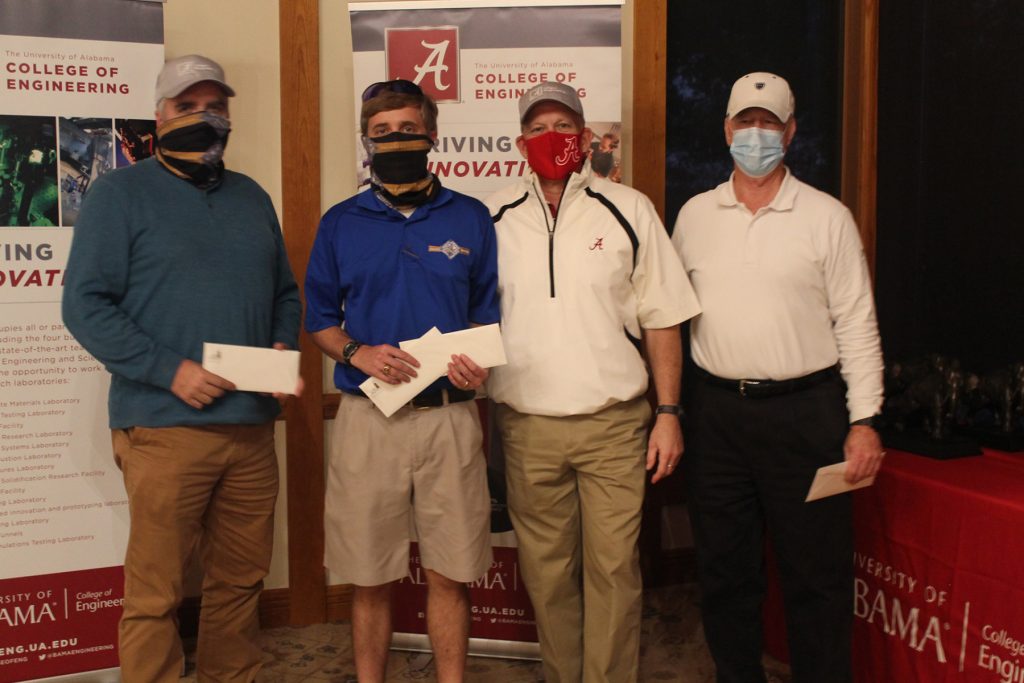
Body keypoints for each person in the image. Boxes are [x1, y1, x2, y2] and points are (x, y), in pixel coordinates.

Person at [62, 54, 301, 682]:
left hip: (251, 428)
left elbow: (284, 293)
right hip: (164, 427)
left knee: (241, 582)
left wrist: (280, 349)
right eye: (187, 107)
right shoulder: (118, 192)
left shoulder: (252, 196)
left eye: (216, 108)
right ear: (160, 116)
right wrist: (170, 371)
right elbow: (84, 304)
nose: (204, 118)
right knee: (156, 594)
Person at [670, 72, 885, 683]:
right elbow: (666, 316)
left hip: (808, 416)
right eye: (746, 123)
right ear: (725, 130)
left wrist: (865, 421)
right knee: (724, 575)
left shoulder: (827, 217)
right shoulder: (693, 215)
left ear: (790, 132)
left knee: (816, 580)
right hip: (717, 416)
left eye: (769, 124)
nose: (755, 134)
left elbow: (858, 324)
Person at [485, 81, 701, 683]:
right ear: (519, 140)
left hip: (614, 427)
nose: (550, 136)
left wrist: (668, 413)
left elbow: (662, 318)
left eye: (562, 124)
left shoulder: (629, 208)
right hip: (527, 428)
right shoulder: (491, 216)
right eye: (536, 127)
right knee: (548, 575)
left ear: (584, 137)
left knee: (613, 571)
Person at [304, 79, 499, 683]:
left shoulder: (469, 217)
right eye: (383, 133)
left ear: (432, 135)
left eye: (408, 130)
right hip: (370, 419)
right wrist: (357, 352)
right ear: (367, 141)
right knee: (369, 576)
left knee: (451, 572)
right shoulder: (340, 223)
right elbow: (318, 321)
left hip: (449, 417)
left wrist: (479, 364)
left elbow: (486, 317)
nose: (396, 140)